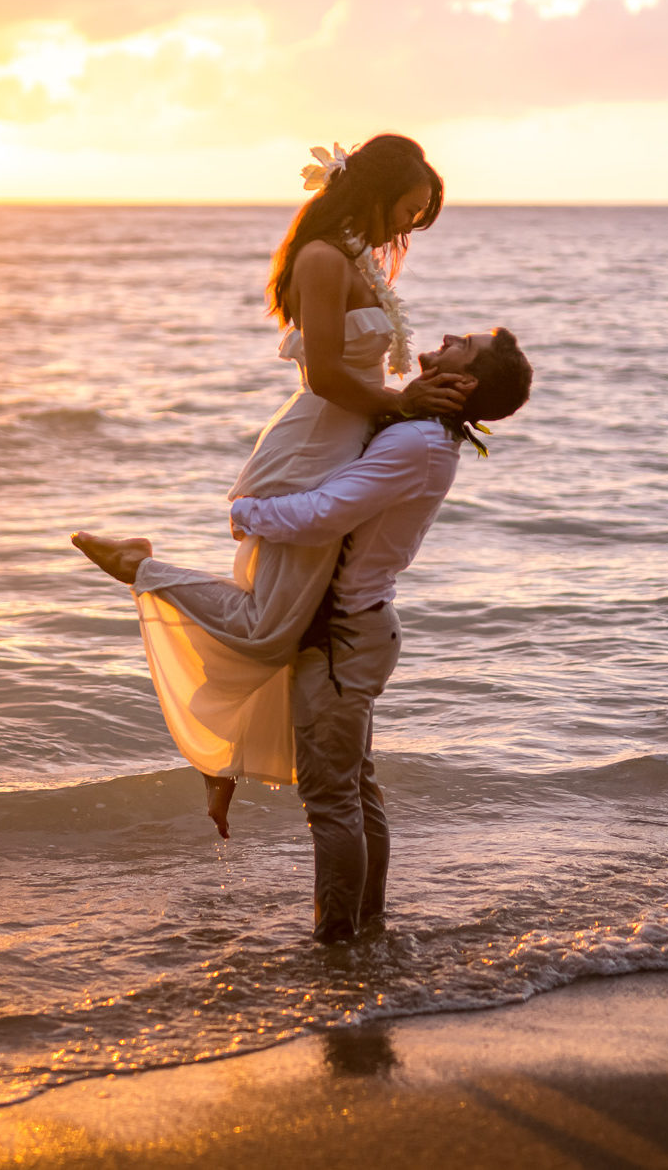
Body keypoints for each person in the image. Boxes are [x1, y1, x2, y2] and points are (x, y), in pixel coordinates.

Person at [74, 327, 534, 941]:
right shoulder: (421, 430)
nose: (448, 336)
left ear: (466, 382)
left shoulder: (421, 443)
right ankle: (365, 931)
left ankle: (338, 945)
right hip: (352, 634)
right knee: (353, 793)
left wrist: (244, 513)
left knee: (333, 803)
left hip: (342, 642)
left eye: (464, 343)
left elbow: (323, 513)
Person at [77, 135, 465, 837]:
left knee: (287, 630)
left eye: (418, 218)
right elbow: (323, 377)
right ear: (372, 192)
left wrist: (407, 403)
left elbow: (360, 381)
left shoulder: (351, 257)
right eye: (407, 211)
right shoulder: (322, 259)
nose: (407, 228)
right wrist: (403, 404)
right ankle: (139, 564)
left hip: (338, 445)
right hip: (308, 449)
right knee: (268, 627)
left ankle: (222, 761)